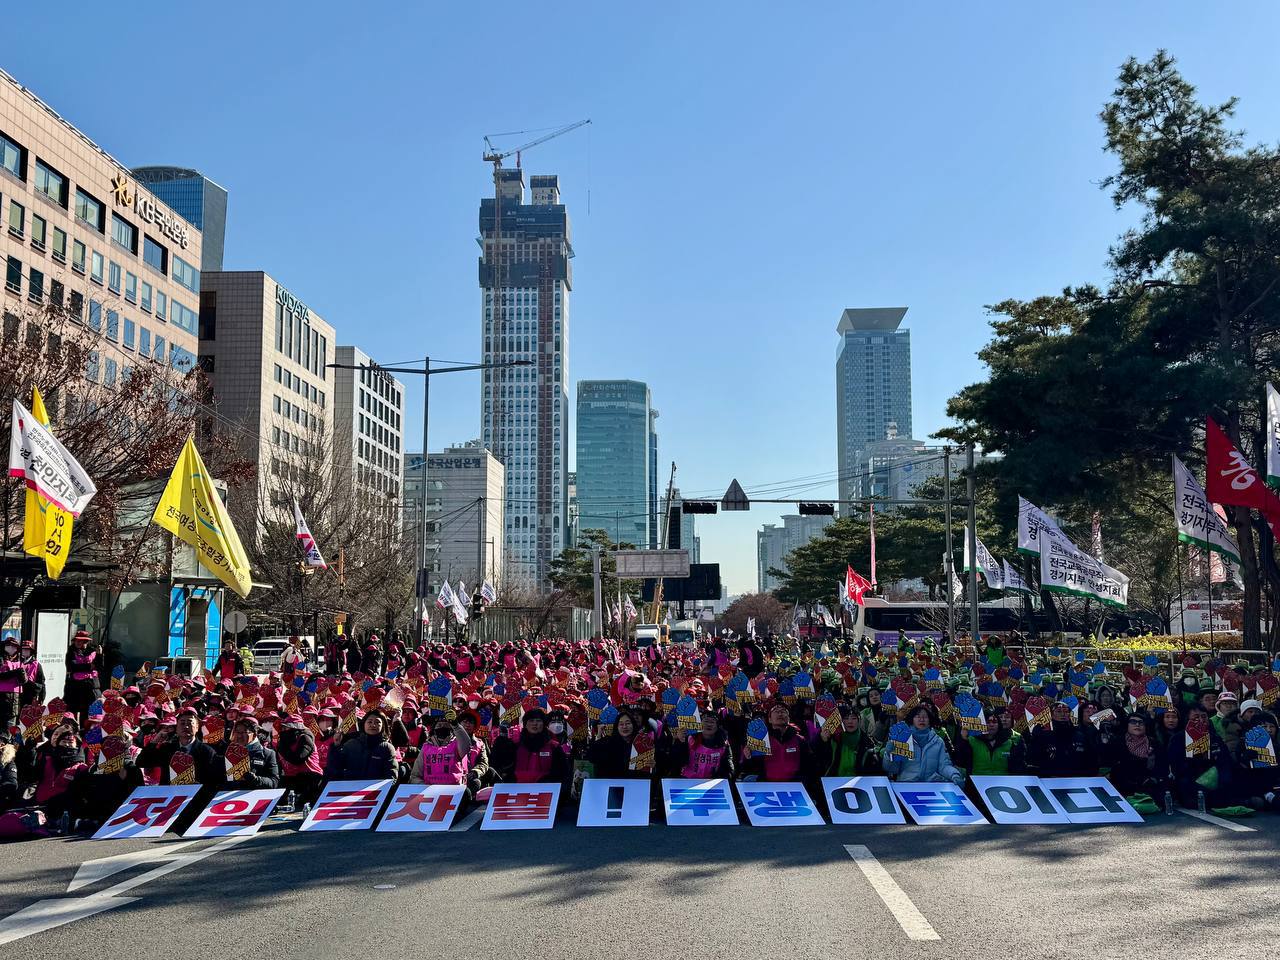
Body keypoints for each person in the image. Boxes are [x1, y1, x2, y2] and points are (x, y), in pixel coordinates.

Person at [882, 704, 965, 785]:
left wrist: (954, 775)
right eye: (918, 716)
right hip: (906, 785)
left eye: (925, 717)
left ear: (929, 720)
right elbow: (893, 769)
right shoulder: (903, 739)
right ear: (912, 720)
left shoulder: (938, 742)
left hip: (931, 785)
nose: (921, 719)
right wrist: (889, 754)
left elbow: (944, 766)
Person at [489, 707, 568, 784]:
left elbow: (562, 775)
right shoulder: (514, 745)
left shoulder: (554, 747)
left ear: (544, 724)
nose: (535, 723)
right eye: (531, 720)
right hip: (516, 791)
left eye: (538, 720)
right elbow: (502, 769)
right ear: (525, 724)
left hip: (545, 792)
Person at [741, 702, 812, 782]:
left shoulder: (800, 740)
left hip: (795, 787)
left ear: (789, 718)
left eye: (783, 711)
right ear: (770, 719)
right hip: (768, 786)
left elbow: (809, 767)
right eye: (776, 711)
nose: (780, 713)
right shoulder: (761, 740)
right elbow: (751, 768)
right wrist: (748, 756)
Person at [1027, 701, 1099, 777]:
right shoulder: (1042, 733)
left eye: (1066, 711)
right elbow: (1033, 760)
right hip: (1049, 780)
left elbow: (1091, 759)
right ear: (1051, 714)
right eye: (1058, 711)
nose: (1063, 714)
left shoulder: (1079, 734)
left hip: (1075, 781)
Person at [1104, 714, 1167, 798]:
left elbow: (1161, 765)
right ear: (1127, 725)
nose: (1137, 725)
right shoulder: (1117, 742)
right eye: (1133, 722)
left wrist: (1153, 779)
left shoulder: (1154, 743)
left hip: (1147, 783)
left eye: (1141, 723)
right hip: (1122, 784)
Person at [954, 706, 1026, 776]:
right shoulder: (971, 740)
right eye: (988, 722)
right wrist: (963, 740)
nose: (991, 725)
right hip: (976, 783)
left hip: (1003, 784)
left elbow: (1018, 767)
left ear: (999, 725)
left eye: (994, 722)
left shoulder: (1009, 742)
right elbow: (961, 762)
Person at [326, 711, 397, 781]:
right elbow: (334, 769)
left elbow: (391, 776)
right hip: (351, 788)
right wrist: (336, 746)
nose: (373, 725)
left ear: (383, 726)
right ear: (364, 724)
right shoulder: (351, 744)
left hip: (376, 790)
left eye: (377, 722)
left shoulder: (387, 748)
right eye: (370, 722)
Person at [409, 717, 473, 789]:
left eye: (445, 726)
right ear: (434, 729)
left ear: (451, 729)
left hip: (453, 791)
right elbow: (415, 775)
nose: (442, 727)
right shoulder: (426, 747)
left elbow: (466, 746)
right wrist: (424, 787)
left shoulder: (457, 744)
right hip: (429, 791)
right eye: (439, 726)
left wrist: (456, 725)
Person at [1235, 710, 1280, 811]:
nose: (1269, 730)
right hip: (1255, 786)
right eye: (1264, 727)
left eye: (1272, 726)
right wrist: (1245, 759)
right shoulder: (1244, 744)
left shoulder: (1277, 746)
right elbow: (1238, 768)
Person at [817, 703, 878, 776]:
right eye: (846, 718)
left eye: (854, 718)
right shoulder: (832, 738)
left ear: (859, 721)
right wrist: (821, 740)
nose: (850, 722)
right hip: (832, 781)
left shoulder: (867, 742)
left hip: (859, 783)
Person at [669, 713, 735, 780]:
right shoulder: (690, 738)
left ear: (717, 726)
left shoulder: (723, 743)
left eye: (712, 722)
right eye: (706, 721)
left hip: (711, 782)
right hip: (688, 780)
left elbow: (728, 769)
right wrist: (679, 742)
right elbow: (676, 762)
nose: (709, 724)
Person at [586, 708, 647, 779]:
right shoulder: (608, 742)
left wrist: (651, 764)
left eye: (628, 723)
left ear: (633, 725)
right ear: (616, 727)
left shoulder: (642, 743)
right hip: (612, 784)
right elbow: (592, 757)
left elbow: (645, 769)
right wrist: (599, 735)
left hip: (634, 784)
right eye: (621, 724)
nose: (624, 727)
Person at [277, 715, 323, 805]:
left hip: (311, 778)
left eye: (287, 727)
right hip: (292, 778)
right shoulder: (284, 741)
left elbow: (298, 758)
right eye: (283, 727)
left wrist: (282, 749)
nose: (284, 730)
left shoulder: (305, 738)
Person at [224, 716, 280, 789]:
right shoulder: (228, 751)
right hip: (228, 797)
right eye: (237, 732)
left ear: (254, 734)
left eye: (243, 732)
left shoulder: (268, 754)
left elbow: (274, 782)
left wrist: (256, 779)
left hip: (255, 796)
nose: (239, 736)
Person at [63, 630, 102, 725]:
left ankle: (85, 732)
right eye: (76, 641)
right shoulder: (71, 652)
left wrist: (100, 655)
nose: (77, 643)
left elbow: (99, 666)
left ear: (86, 642)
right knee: (72, 711)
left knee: (87, 713)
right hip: (74, 687)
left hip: (90, 687)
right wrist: (89, 666)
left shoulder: (94, 652)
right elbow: (72, 666)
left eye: (80, 641)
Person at [0, 636, 23, 733]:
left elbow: (24, 681)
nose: (11, 647)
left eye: (13, 646)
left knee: (11, 727)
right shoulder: (1, 658)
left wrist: (22, 674)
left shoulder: (19, 660)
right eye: (8, 645)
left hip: (15, 698)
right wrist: (15, 673)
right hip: (2, 695)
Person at [18, 640, 45, 707]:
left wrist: (41, 698)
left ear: (31, 651)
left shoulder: (36, 665)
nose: (24, 651)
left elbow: (42, 682)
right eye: (23, 649)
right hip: (17, 696)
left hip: (29, 697)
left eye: (27, 649)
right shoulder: (17, 662)